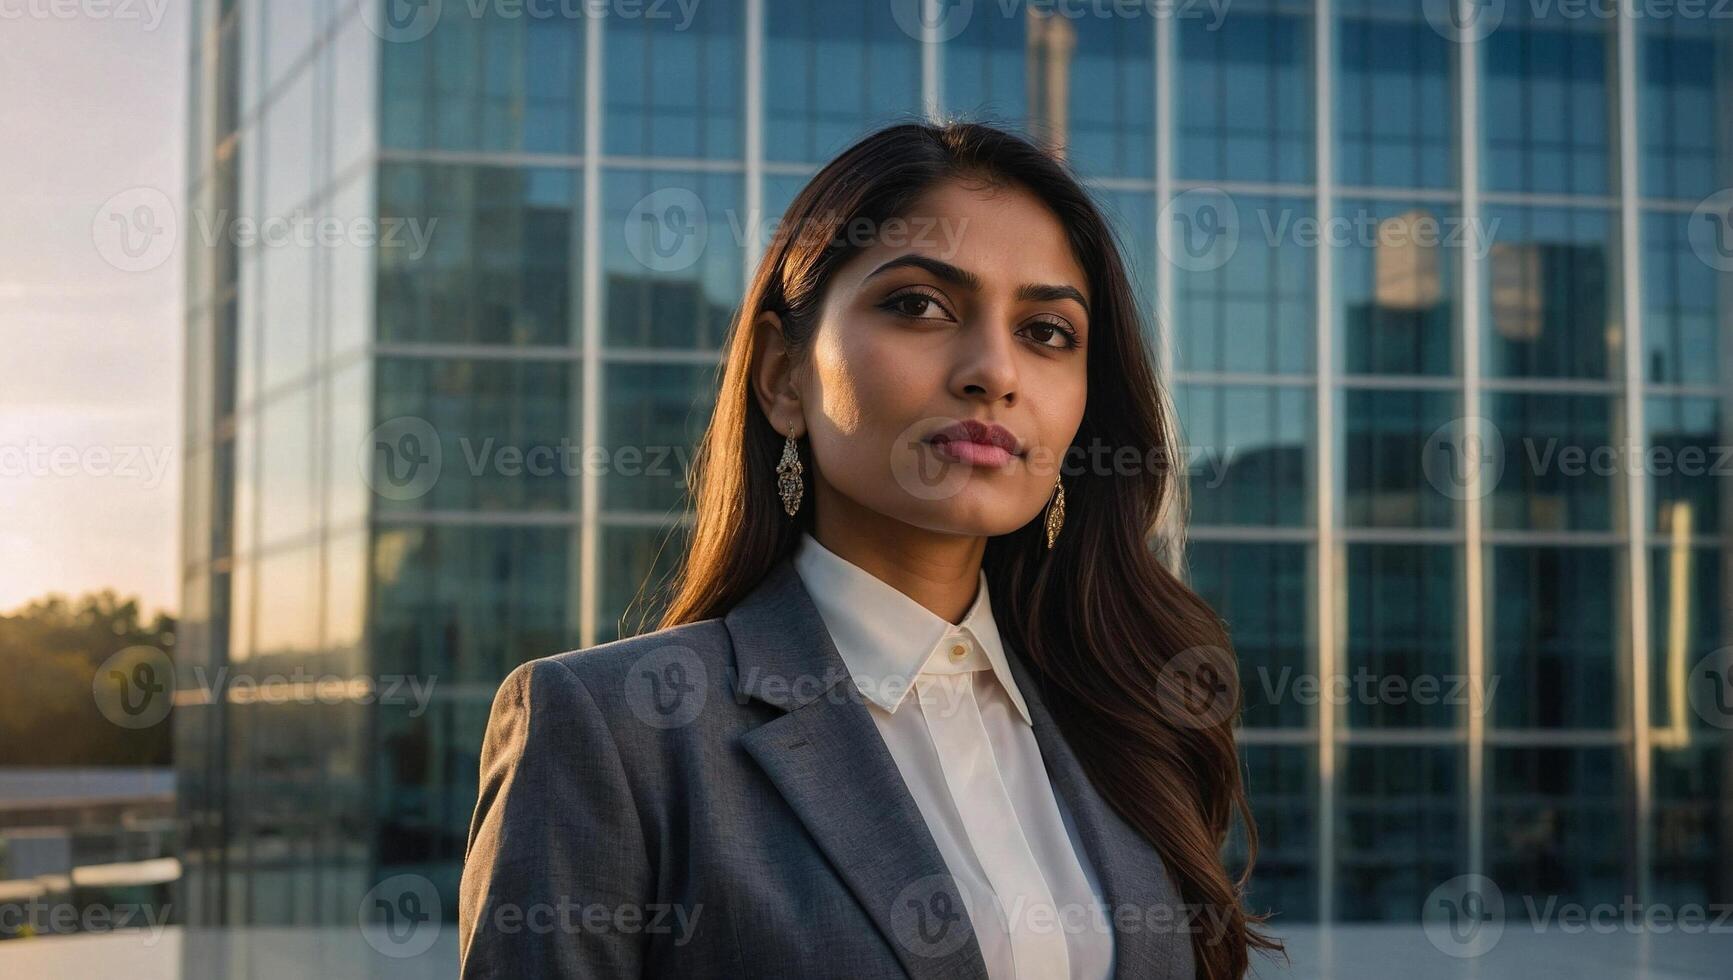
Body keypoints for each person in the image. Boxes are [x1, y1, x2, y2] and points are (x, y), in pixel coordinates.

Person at [458, 120, 1281, 979]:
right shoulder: (610, 731)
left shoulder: (1125, 719)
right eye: (919, 305)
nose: (993, 371)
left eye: (1046, 331)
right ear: (782, 375)